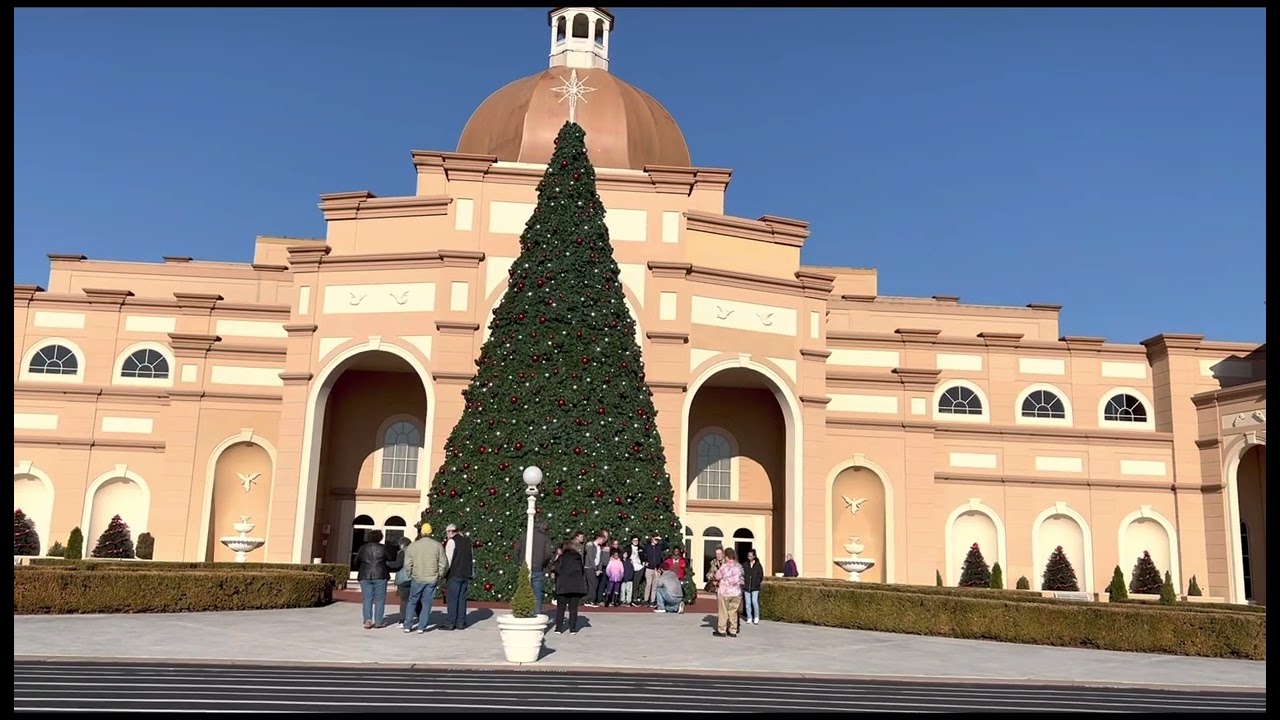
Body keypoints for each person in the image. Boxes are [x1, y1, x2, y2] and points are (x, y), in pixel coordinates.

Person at [402, 522, 449, 634]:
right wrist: (440, 575)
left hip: (417, 577)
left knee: (412, 601)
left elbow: (407, 563)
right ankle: (421, 627)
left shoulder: (413, 545)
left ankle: (407, 625)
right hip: (432, 578)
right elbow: (443, 562)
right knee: (427, 602)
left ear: (421, 532)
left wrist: (410, 573)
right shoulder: (437, 545)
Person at [354, 529, 392, 629]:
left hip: (365, 575)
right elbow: (391, 558)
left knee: (367, 598)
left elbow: (356, 561)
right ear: (380, 538)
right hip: (380, 574)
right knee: (380, 599)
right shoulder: (383, 548)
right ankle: (378, 621)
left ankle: (367, 620)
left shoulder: (363, 548)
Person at [515, 521, 553, 616]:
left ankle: (523, 611)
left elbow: (516, 550)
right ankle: (537, 613)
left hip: (525, 566)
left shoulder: (524, 536)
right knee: (537, 592)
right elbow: (548, 554)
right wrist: (543, 564)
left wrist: (520, 562)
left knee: (523, 589)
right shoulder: (545, 538)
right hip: (538, 567)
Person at [551, 539, 587, 635]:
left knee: (561, 608)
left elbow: (556, 569)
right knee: (573, 608)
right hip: (576, 586)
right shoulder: (578, 558)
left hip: (563, 585)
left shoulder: (562, 558)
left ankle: (558, 628)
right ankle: (573, 629)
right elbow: (582, 570)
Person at [443, 524, 474, 631]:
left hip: (454, 573)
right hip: (465, 574)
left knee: (452, 599)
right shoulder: (467, 541)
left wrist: (444, 573)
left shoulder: (452, 542)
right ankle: (461, 622)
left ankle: (450, 622)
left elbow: (448, 559)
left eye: (447, 532)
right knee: (462, 599)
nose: (446, 535)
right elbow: (471, 557)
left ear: (451, 531)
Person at [713, 548, 745, 638]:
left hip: (725, 592)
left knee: (723, 611)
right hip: (736, 593)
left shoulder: (724, 566)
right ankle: (733, 630)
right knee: (733, 612)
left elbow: (717, 576)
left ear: (726, 556)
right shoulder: (739, 567)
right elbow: (742, 579)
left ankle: (722, 630)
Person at [388, 536, 413, 623]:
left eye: (400, 544)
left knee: (404, 601)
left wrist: (386, 563)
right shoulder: (415, 552)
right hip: (414, 578)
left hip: (404, 579)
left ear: (403, 544)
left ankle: (403, 620)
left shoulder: (402, 553)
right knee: (414, 600)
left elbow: (398, 564)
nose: (399, 546)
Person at [642, 534, 667, 606]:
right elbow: (642, 554)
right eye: (655, 539)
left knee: (655, 585)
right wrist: (644, 561)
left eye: (657, 540)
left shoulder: (659, 546)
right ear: (652, 539)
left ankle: (652, 600)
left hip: (657, 569)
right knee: (648, 585)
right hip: (649, 568)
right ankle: (646, 600)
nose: (657, 541)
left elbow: (666, 545)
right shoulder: (647, 547)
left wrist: (661, 539)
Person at [742, 548, 765, 625]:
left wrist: (757, 583)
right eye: (748, 556)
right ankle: (749, 617)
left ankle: (756, 617)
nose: (749, 557)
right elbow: (742, 574)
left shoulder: (758, 565)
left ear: (754, 556)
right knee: (748, 603)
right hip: (746, 587)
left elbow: (760, 575)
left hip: (755, 587)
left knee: (754, 602)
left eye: (751, 556)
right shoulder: (745, 565)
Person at [583, 532, 605, 608]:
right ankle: (587, 600)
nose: (603, 541)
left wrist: (599, 569)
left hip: (595, 568)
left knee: (594, 585)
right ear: (599, 538)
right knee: (593, 584)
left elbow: (600, 559)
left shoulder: (599, 547)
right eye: (602, 539)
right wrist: (595, 569)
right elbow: (590, 557)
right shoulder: (590, 545)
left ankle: (590, 600)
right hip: (589, 567)